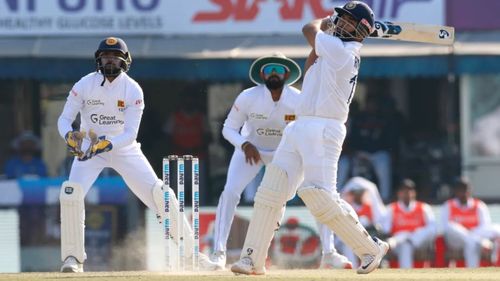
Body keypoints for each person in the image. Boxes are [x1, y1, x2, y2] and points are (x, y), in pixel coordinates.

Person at [231, 1, 388, 275]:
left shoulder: (344, 52)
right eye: (341, 19)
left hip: (324, 129)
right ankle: (252, 259)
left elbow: (308, 28)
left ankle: (370, 248)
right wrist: (330, 27)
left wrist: (325, 22)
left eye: (347, 21)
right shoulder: (330, 50)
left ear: (360, 30)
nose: (340, 23)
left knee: (319, 195)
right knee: (271, 191)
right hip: (300, 126)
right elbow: (311, 60)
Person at [56, 37, 216, 272]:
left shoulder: (132, 89)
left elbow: (130, 134)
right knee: (71, 195)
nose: (109, 61)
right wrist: (69, 136)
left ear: (125, 61)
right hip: (90, 150)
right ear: (98, 60)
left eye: (115, 57)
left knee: (161, 194)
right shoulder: (83, 85)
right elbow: (64, 119)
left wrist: (108, 144)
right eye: (105, 57)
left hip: (124, 149)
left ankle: (191, 254)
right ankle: (72, 258)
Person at [211, 53, 350, 270]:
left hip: (285, 154)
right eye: (268, 70)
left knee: (315, 193)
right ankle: (218, 253)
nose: (273, 73)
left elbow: (306, 130)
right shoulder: (248, 97)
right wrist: (244, 145)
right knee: (230, 192)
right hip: (250, 151)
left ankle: (330, 252)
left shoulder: (298, 99)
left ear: (286, 74)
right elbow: (228, 129)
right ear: (261, 75)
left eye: (277, 69)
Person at [441, 177, 500, 267]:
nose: (463, 192)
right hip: (456, 241)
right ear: (455, 191)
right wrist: (470, 235)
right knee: (451, 226)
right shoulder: (448, 205)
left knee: (496, 229)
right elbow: (445, 227)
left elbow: (485, 226)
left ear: (470, 190)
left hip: (474, 239)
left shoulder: (479, 205)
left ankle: (472, 273)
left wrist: (472, 234)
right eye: (460, 189)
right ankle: (480, 241)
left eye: (465, 188)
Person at [382, 179, 436, 268]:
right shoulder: (391, 209)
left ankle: (409, 238)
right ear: (399, 193)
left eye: (410, 190)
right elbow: (385, 229)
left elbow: (432, 229)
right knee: (406, 245)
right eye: (404, 190)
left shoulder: (423, 208)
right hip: (399, 244)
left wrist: (412, 235)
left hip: (419, 242)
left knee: (428, 230)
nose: (407, 193)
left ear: (414, 193)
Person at [339, 177, 387, 267]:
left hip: (367, 238)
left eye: (360, 193)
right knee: (347, 244)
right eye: (356, 193)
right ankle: (352, 268)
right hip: (350, 238)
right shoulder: (348, 207)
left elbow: (379, 225)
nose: (358, 195)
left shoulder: (369, 206)